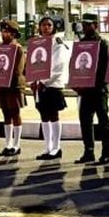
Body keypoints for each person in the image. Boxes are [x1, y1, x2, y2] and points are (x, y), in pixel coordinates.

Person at [74, 13, 109, 164]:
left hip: (99, 89)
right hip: (85, 90)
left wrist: (93, 81)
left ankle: (106, 154)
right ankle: (88, 151)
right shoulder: (81, 43)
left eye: (88, 24)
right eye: (83, 24)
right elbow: (77, 64)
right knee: (85, 121)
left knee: (103, 122)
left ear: (95, 25)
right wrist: (77, 82)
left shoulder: (103, 43)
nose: (85, 27)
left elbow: (105, 67)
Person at [33, 16, 69, 161]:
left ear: (54, 27)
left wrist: (43, 81)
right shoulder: (37, 43)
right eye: (43, 25)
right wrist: (33, 80)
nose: (46, 27)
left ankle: (56, 147)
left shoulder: (58, 42)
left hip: (52, 84)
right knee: (43, 115)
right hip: (38, 85)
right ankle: (47, 147)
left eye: (49, 25)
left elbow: (58, 65)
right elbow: (32, 63)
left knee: (53, 115)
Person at [0, 20, 26, 157]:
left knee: (15, 113)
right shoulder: (0, 49)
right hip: (2, 86)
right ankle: (8, 144)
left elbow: (18, 70)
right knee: (6, 114)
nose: (3, 34)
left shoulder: (18, 49)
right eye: (2, 31)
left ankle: (16, 144)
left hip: (14, 86)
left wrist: (3, 79)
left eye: (6, 32)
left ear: (13, 34)